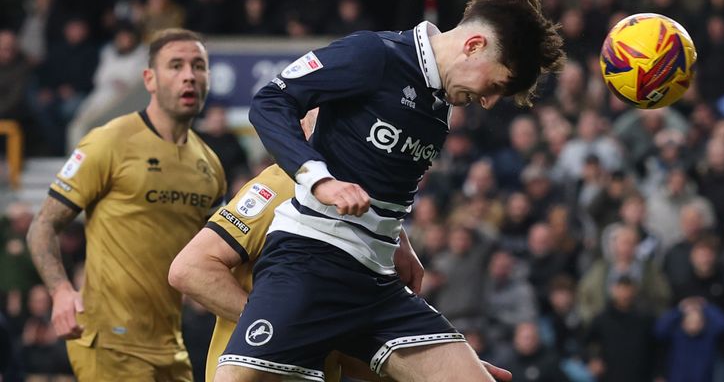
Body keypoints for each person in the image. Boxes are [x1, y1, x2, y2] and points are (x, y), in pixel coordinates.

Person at [217, 0, 564, 381]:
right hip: (309, 262)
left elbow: (379, 175)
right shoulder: (374, 54)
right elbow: (271, 100)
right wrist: (319, 179)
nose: (488, 102)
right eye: (495, 85)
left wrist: (399, 239)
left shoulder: (441, 102)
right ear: (473, 46)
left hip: (375, 284)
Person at [169, 110, 513, 382]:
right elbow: (190, 269)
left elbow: (348, 347)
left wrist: (436, 365)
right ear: (303, 126)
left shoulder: (374, 216)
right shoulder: (282, 185)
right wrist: (279, 325)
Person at [25, 28, 227, 381]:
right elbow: (42, 226)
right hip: (109, 341)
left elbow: (216, 254)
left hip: (171, 348)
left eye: (198, 66)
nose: (189, 76)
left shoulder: (210, 164)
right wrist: (60, 291)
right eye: (175, 65)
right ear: (149, 79)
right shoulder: (109, 142)